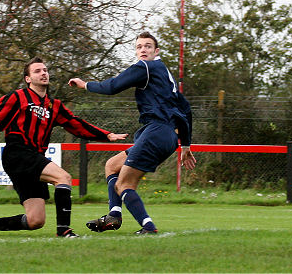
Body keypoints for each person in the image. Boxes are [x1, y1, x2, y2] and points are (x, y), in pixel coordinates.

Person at [0, 57, 127, 238]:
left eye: (45, 70)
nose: (43, 73)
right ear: (28, 79)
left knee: (35, 221)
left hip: (33, 156)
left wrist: (106, 135)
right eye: (37, 71)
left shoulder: (54, 106)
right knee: (63, 177)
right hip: (17, 154)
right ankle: (64, 230)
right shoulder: (17, 97)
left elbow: (76, 124)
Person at [68, 31, 196, 234]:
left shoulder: (146, 67)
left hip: (156, 131)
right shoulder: (165, 75)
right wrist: (186, 145)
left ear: (156, 51)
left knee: (124, 184)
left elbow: (112, 86)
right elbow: (186, 110)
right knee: (112, 165)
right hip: (164, 135)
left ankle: (148, 227)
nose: (143, 49)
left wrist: (86, 85)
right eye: (139, 47)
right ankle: (114, 216)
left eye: (147, 46)